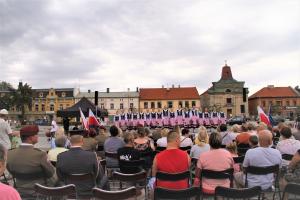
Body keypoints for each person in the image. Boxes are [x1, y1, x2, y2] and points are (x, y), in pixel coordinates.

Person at [7, 125, 55, 196]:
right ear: (31, 137)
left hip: (19, 189)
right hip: (38, 191)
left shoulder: (10, 153)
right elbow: (50, 173)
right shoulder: (40, 154)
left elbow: (10, 171)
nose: (37, 136)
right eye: (36, 134)